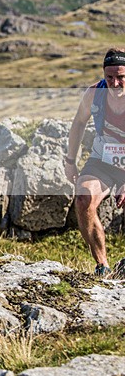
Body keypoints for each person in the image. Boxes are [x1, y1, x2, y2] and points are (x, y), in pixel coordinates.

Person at [65, 48, 125, 277]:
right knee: (83, 199)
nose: (115, 83)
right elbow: (79, 123)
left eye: (121, 77)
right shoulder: (94, 93)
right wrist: (70, 161)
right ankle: (102, 265)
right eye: (110, 77)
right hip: (104, 161)